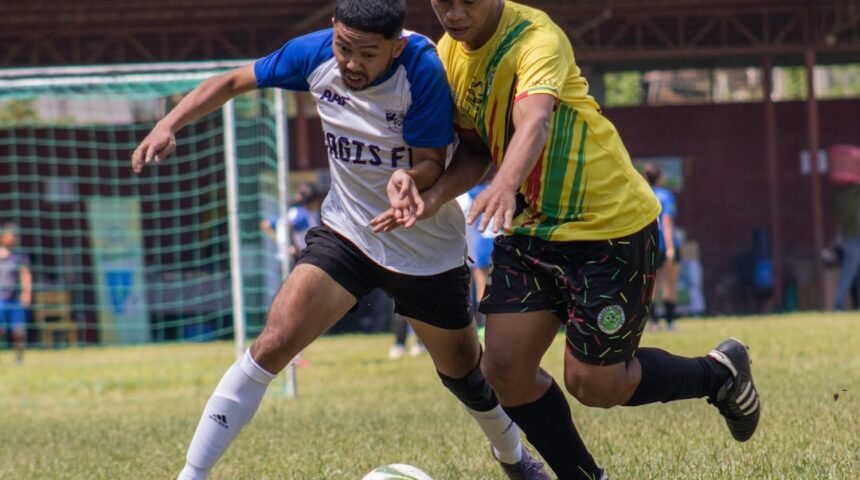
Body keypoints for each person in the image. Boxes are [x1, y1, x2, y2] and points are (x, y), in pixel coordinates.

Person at [131, 1, 548, 479]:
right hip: (347, 232)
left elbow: (434, 162)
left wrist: (410, 179)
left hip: (424, 246)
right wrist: (169, 123)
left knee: (464, 374)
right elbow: (231, 81)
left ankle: (514, 459)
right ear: (332, 30)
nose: (350, 63)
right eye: (343, 47)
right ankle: (192, 474)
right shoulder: (313, 54)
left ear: (395, 48)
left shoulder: (424, 70)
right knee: (273, 342)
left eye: (367, 54)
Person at [373, 1, 761, 478]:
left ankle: (719, 374)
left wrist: (502, 184)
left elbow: (535, 122)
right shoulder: (450, 54)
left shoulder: (537, 37)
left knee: (594, 385)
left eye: (466, 1)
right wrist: (431, 197)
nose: (453, 13)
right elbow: (475, 147)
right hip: (533, 230)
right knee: (505, 370)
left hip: (609, 227)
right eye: (442, 1)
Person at [642, 163, 682, 330]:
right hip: (665, 245)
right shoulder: (666, 196)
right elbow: (667, 223)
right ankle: (670, 322)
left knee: (652, 287)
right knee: (669, 285)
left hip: (649, 245)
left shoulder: (643, 196)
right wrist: (671, 248)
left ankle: (653, 322)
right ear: (659, 177)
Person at [0, 223, 31, 364]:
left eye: (15, 236)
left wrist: (26, 292)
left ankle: (19, 359)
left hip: (14, 299)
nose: (14, 238)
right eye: (11, 235)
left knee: (18, 331)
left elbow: (25, 275)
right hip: (0, 299)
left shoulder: (19, 256)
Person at [832, 182, 860, 310]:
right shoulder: (852, 197)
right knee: (849, 272)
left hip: (849, 238)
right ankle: (839, 303)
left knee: (851, 272)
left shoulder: (842, 196)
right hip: (854, 238)